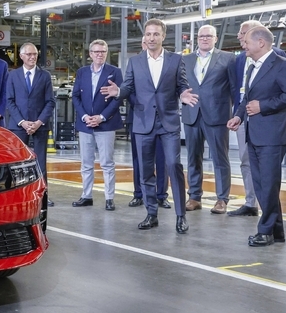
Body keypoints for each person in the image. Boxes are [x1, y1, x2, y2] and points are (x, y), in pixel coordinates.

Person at [102, 19, 198, 233]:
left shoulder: (175, 60)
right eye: (148, 34)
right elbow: (128, 86)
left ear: (163, 36)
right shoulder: (135, 62)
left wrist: (183, 94)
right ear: (144, 37)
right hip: (143, 123)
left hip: (168, 122)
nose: (151, 38)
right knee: (145, 171)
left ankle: (181, 216)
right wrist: (118, 92)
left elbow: (182, 84)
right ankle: (151, 213)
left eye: (156, 34)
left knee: (174, 165)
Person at [227, 26, 286, 247]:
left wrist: (263, 106)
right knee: (262, 184)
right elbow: (247, 99)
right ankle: (277, 232)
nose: (243, 45)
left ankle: (264, 232)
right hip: (253, 134)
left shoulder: (282, 66)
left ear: (261, 43)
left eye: (246, 42)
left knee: (268, 184)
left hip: (273, 135)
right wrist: (238, 115)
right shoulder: (251, 68)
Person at [181, 25, 237, 214]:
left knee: (220, 159)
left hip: (217, 115)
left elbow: (235, 88)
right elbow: (178, 85)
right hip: (192, 114)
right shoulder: (185, 60)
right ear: (197, 38)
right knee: (192, 158)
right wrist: (181, 96)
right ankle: (194, 197)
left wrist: (237, 113)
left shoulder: (228, 59)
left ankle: (222, 199)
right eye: (201, 36)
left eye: (208, 36)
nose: (204, 39)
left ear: (216, 38)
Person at [70, 40, 123, 211]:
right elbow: (75, 97)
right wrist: (85, 116)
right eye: (96, 51)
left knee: (107, 163)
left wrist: (102, 117)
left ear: (106, 53)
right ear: (90, 54)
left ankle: (109, 198)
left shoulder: (115, 72)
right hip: (85, 124)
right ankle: (86, 196)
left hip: (106, 125)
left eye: (103, 51)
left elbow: (118, 99)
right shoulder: (82, 72)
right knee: (86, 163)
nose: (100, 54)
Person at [7, 42, 56, 204]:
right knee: (18, 162)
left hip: (39, 126)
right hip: (19, 126)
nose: (32, 57)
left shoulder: (45, 76)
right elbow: (9, 100)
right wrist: (22, 122)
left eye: (34, 54)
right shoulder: (13, 76)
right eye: (29, 54)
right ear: (21, 56)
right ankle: (19, 195)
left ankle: (43, 196)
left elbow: (50, 102)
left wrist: (38, 122)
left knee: (41, 161)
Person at [127, 37, 170, 209]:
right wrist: (141, 104)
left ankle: (161, 195)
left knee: (162, 160)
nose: (148, 45)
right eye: (145, 43)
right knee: (140, 161)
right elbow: (128, 88)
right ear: (142, 45)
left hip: (162, 118)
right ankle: (139, 194)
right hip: (140, 117)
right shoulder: (135, 64)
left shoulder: (164, 64)